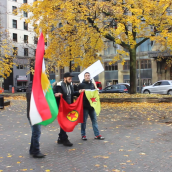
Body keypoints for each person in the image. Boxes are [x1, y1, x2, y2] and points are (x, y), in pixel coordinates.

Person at [54, 72, 84, 146]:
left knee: (64, 122)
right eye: (69, 79)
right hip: (61, 107)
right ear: (64, 78)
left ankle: (60, 138)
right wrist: (56, 94)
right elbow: (53, 93)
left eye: (71, 79)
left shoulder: (70, 86)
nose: (71, 80)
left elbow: (72, 93)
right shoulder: (58, 85)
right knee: (64, 122)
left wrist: (79, 92)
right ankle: (65, 139)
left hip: (69, 107)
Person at [78, 72, 105, 140]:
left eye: (88, 75)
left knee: (94, 120)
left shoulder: (93, 85)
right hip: (85, 106)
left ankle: (97, 134)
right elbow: (77, 93)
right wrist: (81, 91)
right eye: (86, 75)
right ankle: (83, 135)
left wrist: (96, 92)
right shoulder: (81, 85)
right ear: (84, 77)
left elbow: (93, 94)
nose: (87, 76)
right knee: (83, 121)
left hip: (92, 106)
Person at [26, 81, 45, 158]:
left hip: (37, 113)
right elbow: (30, 96)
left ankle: (32, 150)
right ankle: (36, 151)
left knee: (35, 132)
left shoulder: (40, 86)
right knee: (36, 132)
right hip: (33, 114)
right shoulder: (31, 86)